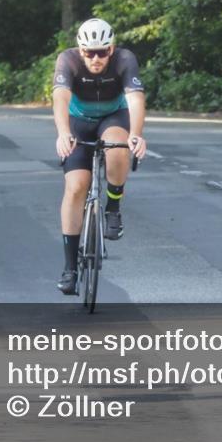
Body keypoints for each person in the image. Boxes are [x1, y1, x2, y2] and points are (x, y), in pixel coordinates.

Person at [52, 18, 147, 295]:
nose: (95, 58)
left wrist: (137, 134)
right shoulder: (67, 60)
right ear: (80, 50)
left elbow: (136, 99)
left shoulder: (125, 59)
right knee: (76, 187)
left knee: (118, 145)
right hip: (78, 120)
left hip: (112, 117)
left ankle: (113, 208)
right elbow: (60, 98)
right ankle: (70, 268)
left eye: (102, 52)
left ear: (112, 48)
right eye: (89, 52)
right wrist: (62, 133)